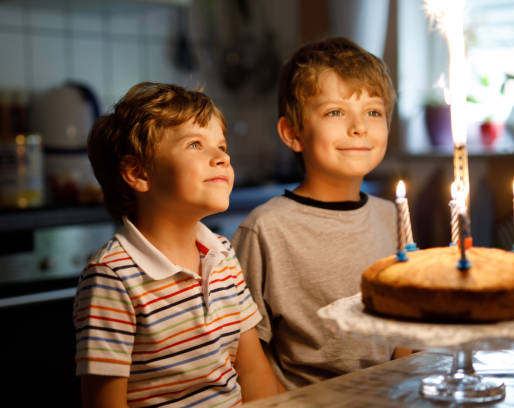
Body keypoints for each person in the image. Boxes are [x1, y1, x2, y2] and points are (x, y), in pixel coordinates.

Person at [73, 82, 281, 407]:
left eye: (222, 147)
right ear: (138, 172)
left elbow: (255, 376)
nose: (221, 158)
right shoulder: (112, 277)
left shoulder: (222, 255)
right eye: (196, 145)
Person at [231, 37, 411, 390]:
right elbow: (243, 349)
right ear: (293, 133)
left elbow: (402, 327)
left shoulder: (394, 217)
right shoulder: (265, 230)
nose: (359, 127)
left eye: (373, 112)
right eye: (335, 112)